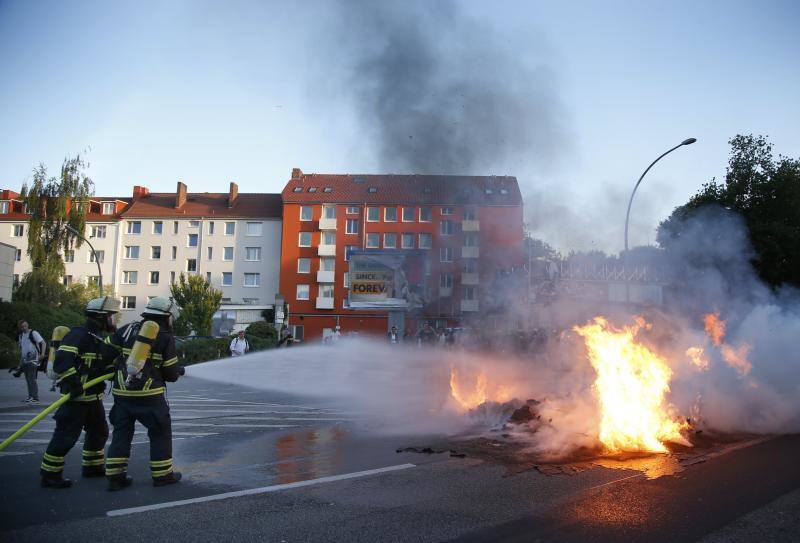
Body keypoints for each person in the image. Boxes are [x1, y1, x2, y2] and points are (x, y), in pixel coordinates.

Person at [104, 296, 184, 491]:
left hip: (122, 394)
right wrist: (178, 371)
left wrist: (114, 368)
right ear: (166, 316)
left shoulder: (127, 329)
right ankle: (162, 475)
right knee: (159, 432)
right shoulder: (165, 336)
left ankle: (116, 476)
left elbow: (105, 352)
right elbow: (171, 374)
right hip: (151, 395)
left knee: (121, 433)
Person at [40, 296, 120, 489]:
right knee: (66, 435)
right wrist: (74, 384)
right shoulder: (78, 335)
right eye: (111, 316)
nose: (113, 320)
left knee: (99, 431)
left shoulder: (98, 338)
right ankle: (50, 474)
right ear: (100, 317)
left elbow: (100, 365)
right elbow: (62, 362)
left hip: (92, 397)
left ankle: (92, 467)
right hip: (76, 398)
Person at [16, 320, 45, 403]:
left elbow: (43, 343)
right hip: (25, 361)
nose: (24, 328)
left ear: (27, 325)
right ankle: (30, 396)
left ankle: (35, 398)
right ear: (20, 328)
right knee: (28, 379)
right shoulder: (21, 336)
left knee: (31, 379)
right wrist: (20, 363)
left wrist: (42, 354)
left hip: (33, 360)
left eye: (25, 326)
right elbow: (23, 350)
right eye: (22, 327)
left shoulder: (33, 333)